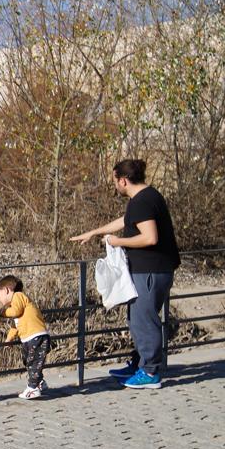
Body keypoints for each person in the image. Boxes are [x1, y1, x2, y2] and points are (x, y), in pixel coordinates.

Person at [69, 159, 179, 389]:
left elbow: (150, 237)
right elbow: (126, 220)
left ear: (123, 180)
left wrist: (117, 241)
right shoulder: (144, 198)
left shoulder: (143, 201)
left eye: (114, 181)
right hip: (150, 270)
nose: (114, 186)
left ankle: (150, 373)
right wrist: (95, 232)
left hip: (150, 270)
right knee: (136, 318)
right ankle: (140, 363)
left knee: (143, 320)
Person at [0, 275, 51, 399]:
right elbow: (15, 325)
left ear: (7, 290)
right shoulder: (15, 303)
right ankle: (39, 383)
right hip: (29, 338)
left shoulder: (18, 296)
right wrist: (9, 339)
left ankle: (32, 388)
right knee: (29, 361)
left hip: (36, 336)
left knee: (34, 362)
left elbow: (15, 312)